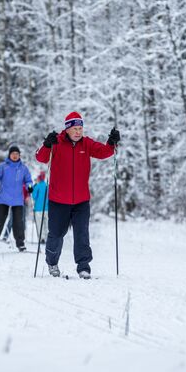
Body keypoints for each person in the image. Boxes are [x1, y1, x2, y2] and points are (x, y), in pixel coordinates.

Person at [35, 111, 120, 279]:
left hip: (81, 200)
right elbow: (41, 158)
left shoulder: (86, 144)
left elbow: (104, 152)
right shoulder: (56, 143)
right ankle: (52, 262)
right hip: (58, 200)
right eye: (75, 128)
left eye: (80, 128)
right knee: (56, 234)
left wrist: (111, 143)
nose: (78, 132)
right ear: (67, 129)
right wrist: (46, 144)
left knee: (82, 233)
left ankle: (83, 266)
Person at [0, 145, 33, 253]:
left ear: (19, 155)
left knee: (18, 223)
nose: (15, 156)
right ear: (9, 155)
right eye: (13, 154)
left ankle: (20, 244)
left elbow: (28, 180)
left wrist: (30, 186)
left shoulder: (23, 168)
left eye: (17, 154)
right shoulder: (3, 166)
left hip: (18, 199)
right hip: (3, 198)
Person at [31, 171, 49, 244]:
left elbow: (34, 196)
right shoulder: (47, 186)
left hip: (38, 209)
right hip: (47, 208)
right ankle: (48, 238)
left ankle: (42, 239)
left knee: (39, 224)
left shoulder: (37, 186)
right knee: (46, 224)